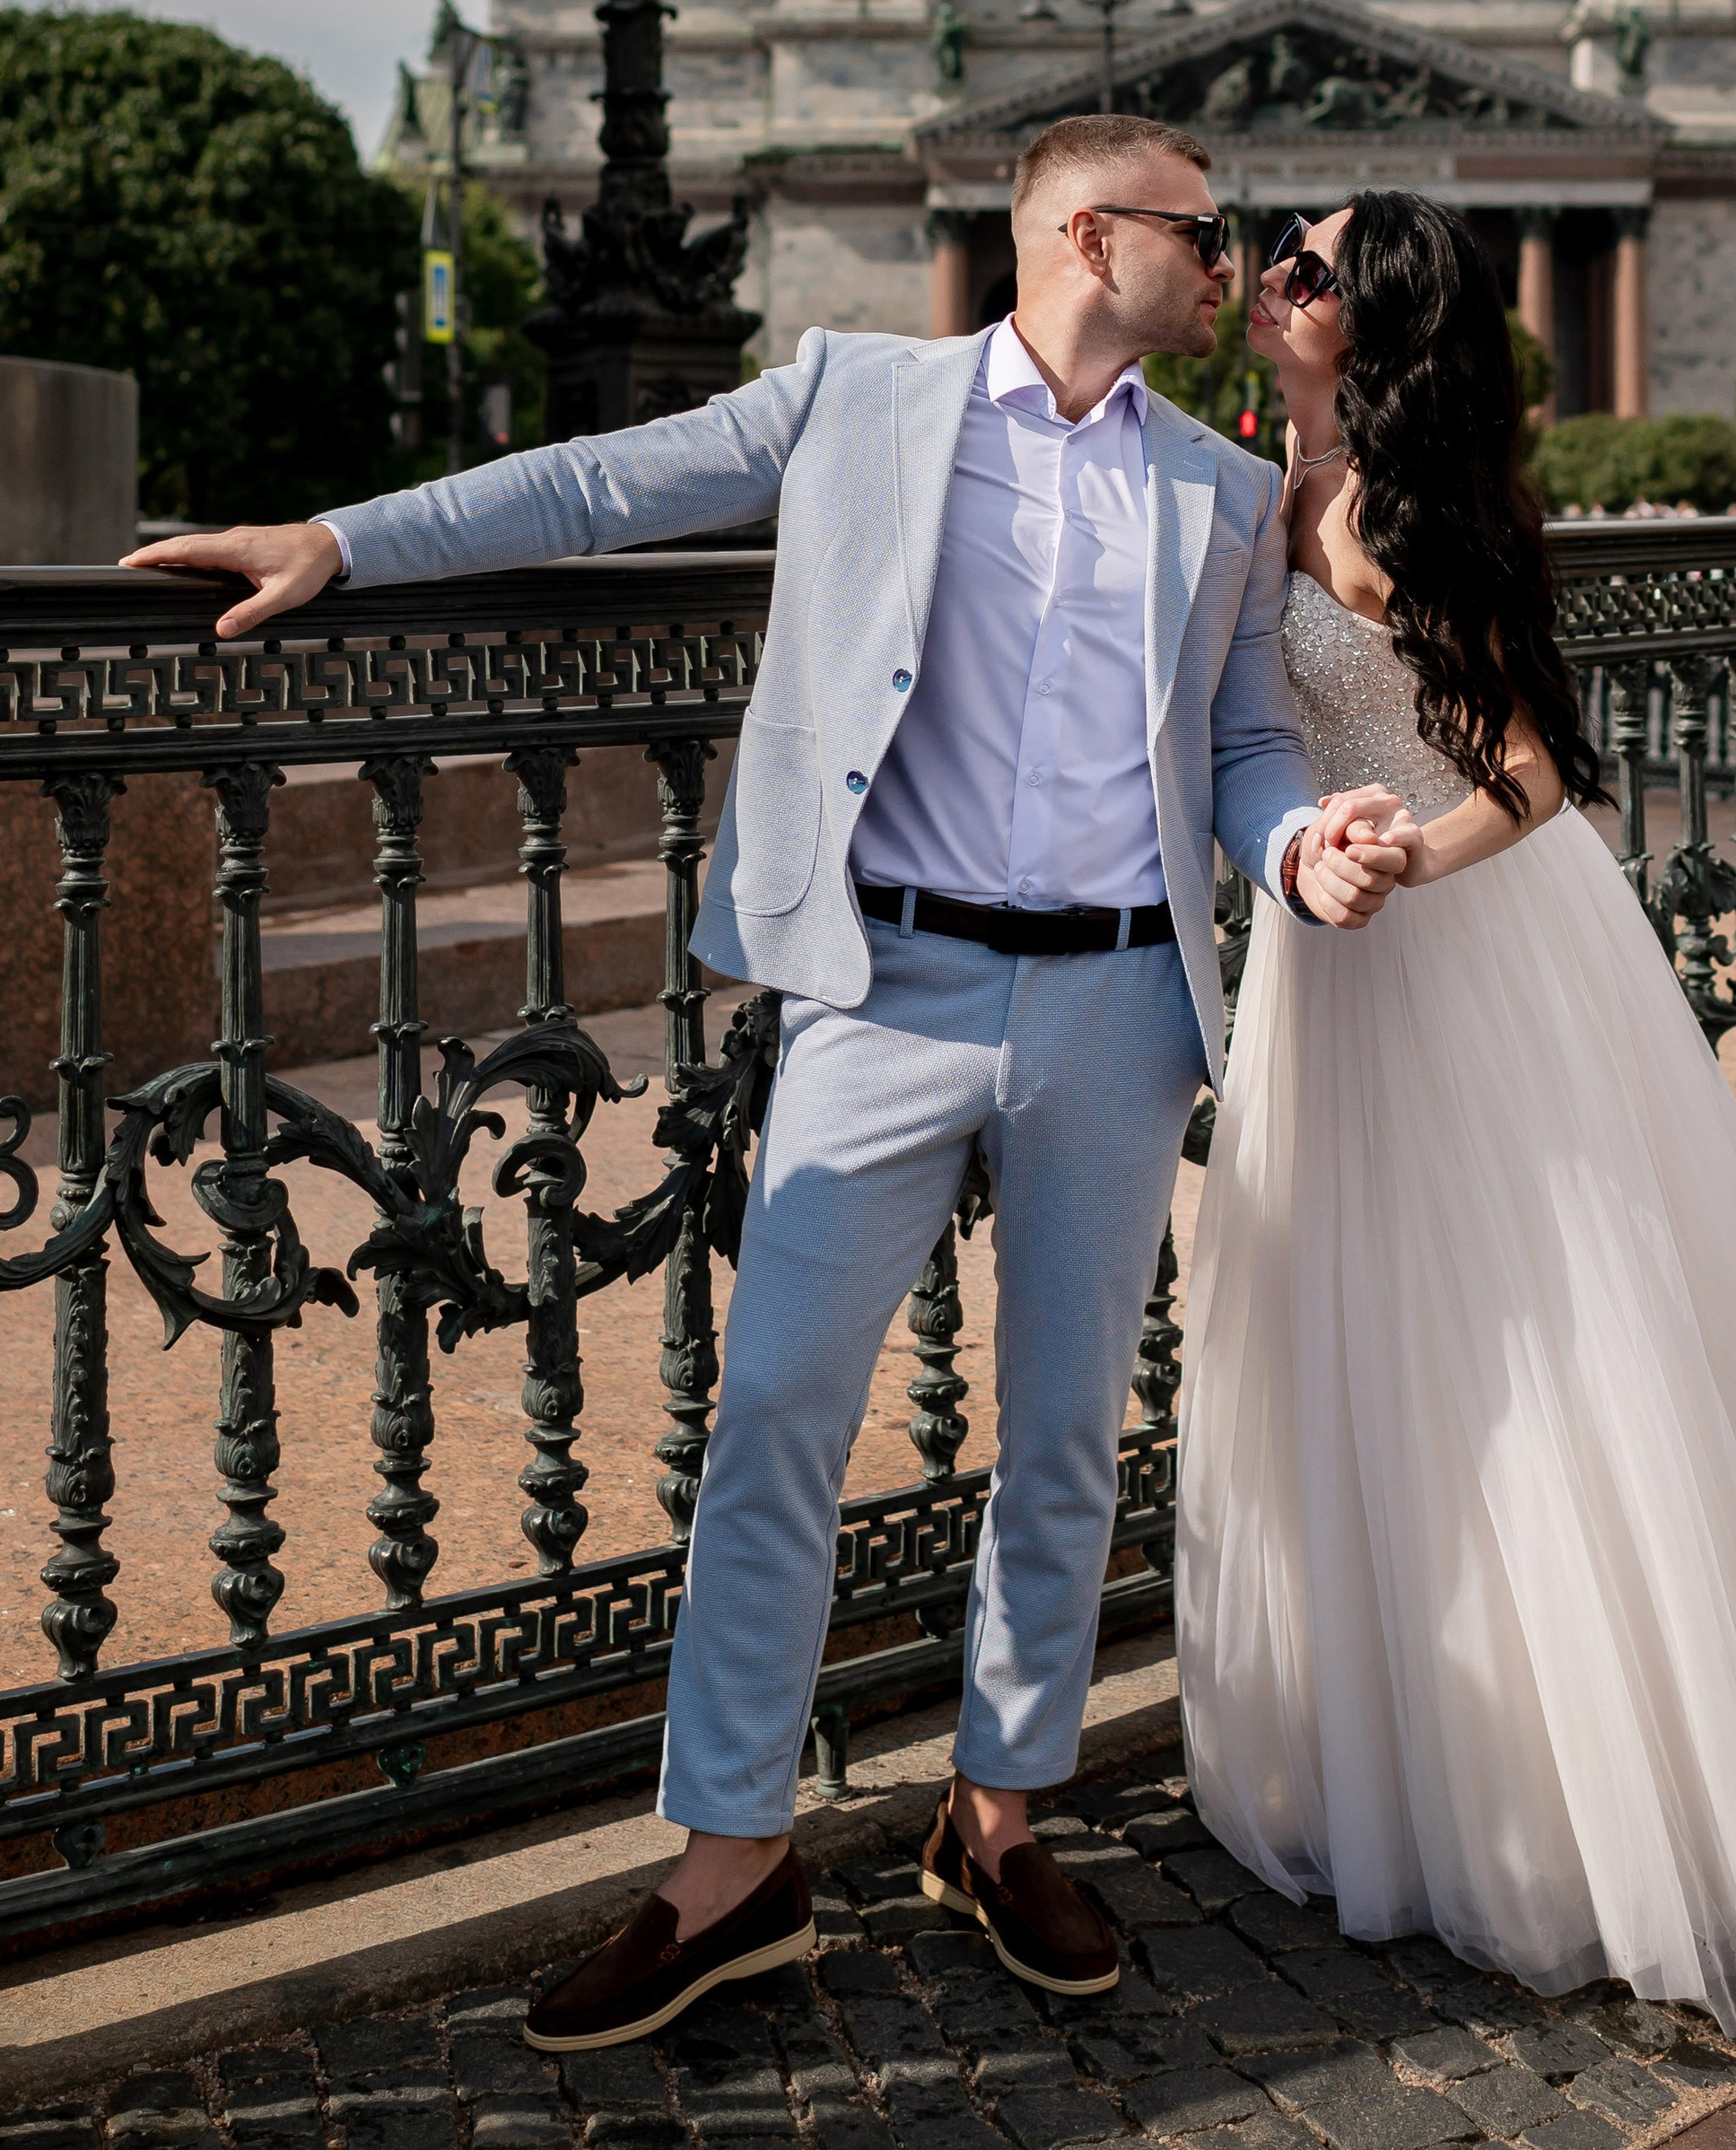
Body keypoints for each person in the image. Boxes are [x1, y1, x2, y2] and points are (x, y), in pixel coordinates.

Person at [127, 116, 1409, 2045]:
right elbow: (598, 483)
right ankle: (730, 1865)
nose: (1232, 273)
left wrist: (1296, 845)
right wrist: (342, 539)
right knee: (777, 1423)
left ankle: (997, 1814)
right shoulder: (857, 397)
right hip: (880, 983)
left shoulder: (1218, 490)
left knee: (1060, 1436)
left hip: (1118, 1003)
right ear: (1083, 230)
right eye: (1203, 237)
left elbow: (1235, 742)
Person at [1173, 191, 1736, 2038]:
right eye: (1273, 254)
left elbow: (1534, 774)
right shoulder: (1273, 474)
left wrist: (1393, 861)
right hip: (1334, 958)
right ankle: (1404, 1721)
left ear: (1371, 324)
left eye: (1307, 270)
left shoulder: (1389, 510)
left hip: (1449, 941)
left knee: (1532, 1337)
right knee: (1371, 1339)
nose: (1271, 281)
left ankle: (1582, 1771)